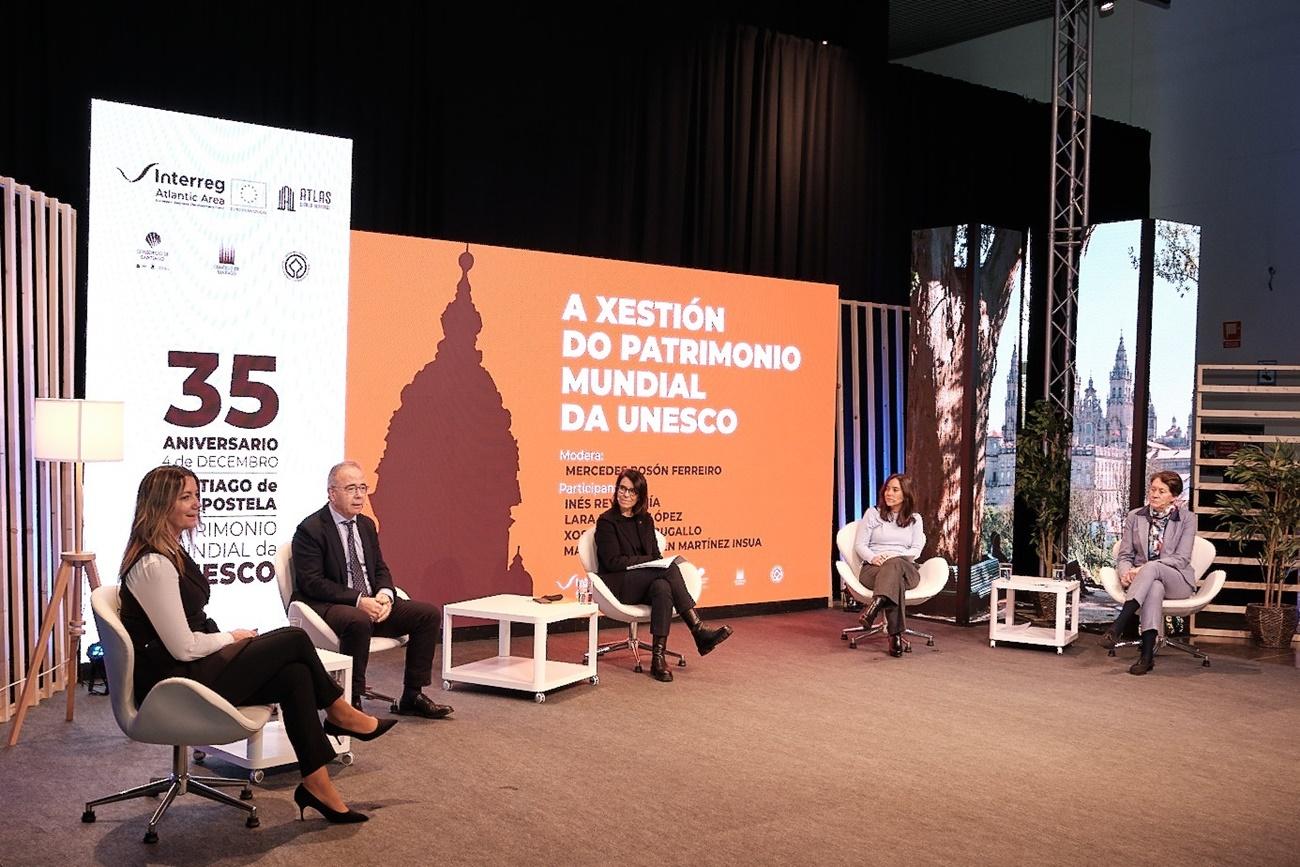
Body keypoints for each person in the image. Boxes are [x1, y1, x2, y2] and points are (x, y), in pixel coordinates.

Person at [118, 466, 395, 825]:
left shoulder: (171, 552)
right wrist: (229, 638)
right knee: (294, 638)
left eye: (196, 495)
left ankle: (317, 784)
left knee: (295, 675)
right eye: (185, 497)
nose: (196, 503)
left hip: (195, 669)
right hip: (175, 683)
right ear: (159, 504)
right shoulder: (154, 563)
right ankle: (339, 713)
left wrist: (226, 640)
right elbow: (182, 648)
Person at [292, 460, 452, 718]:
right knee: (357, 621)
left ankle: (412, 695)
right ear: (332, 493)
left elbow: (379, 569)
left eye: (363, 488)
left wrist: (385, 596)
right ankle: (351, 701)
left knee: (428, 614)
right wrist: (358, 600)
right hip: (332, 606)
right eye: (351, 488)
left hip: (370, 602)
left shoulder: (366, 525)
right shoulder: (310, 529)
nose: (359, 495)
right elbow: (313, 582)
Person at [593, 469, 733, 682]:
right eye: (622, 488)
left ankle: (658, 658)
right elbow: (613, 563)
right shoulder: (606, 522)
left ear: (640, 496)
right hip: (618, 584)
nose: (625, 494)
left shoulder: (645, 520)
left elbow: (656, 556)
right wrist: (647, 561)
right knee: (668, 569)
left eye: (631, 491)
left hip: (644, 583)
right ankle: (697, 629)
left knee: (662, 587)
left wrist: (650, 562)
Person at [1099, 470, 1198, 675]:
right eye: (1152, 489)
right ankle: (1146, 656)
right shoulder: (1135, 517)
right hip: (1146, 582)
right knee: (1153, 587)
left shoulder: (1188, 519)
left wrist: (1142, 569)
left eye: (1161, 491)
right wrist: (1126, 573)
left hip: (1177, 580)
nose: (1154, 494)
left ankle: (1119, 624)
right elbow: (1125, 555)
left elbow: (1182, 559)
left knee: (1152, 567)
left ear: (1174, 496)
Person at [853, 473, 925, 658]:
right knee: (894, 581)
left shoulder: (915, 519)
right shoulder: (873, 513)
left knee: (894, 565)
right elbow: (860, 545)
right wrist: (873, 557)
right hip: (874, 569)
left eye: (895, 490)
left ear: (905, 494)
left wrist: (894, 556)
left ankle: (874, 607)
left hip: (906, 568)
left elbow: (916, 550)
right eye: (887, 488)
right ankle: (895, 635)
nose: (888, 493)